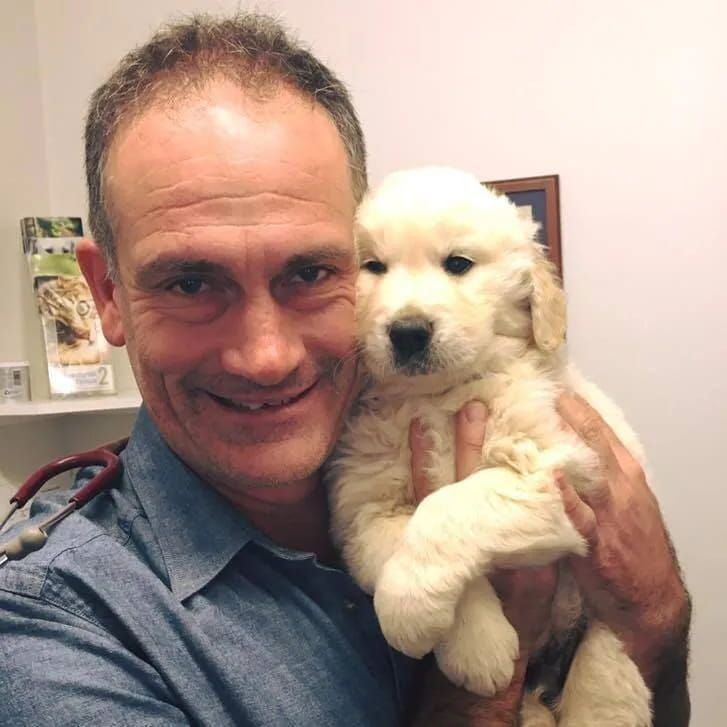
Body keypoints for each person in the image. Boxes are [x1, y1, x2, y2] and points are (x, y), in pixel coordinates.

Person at [0, 13, 690, 726]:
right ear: (105, 293)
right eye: (190, 283)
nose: (266, 356)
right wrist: (479, 691)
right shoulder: (48, 627)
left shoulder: (414, 424)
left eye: (310, 271)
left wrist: (657, 615)